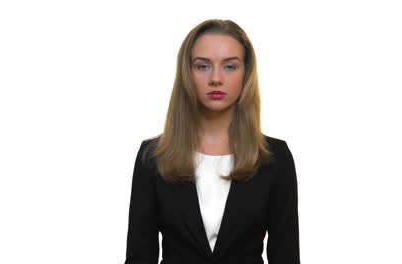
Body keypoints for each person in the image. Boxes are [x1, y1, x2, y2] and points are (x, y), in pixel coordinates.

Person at [124, 19, 300, 264]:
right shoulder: (152, 156)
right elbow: (140, 257)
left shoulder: (275, 157)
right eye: (203, 66)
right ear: (187, 72)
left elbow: (286, 256)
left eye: (229, 67)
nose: (216, 79)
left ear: (246, 73)